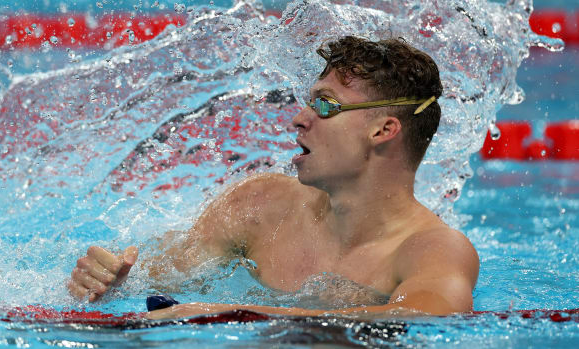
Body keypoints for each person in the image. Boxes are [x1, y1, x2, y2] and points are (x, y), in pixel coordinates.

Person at [67, 36, 479, 319]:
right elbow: (159, 277)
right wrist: (110, 280)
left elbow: (426, 319)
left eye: (326, 106)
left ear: (384, 130)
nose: (299, 119)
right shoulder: (258, 205)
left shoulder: (433, 249)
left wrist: (237, 315)